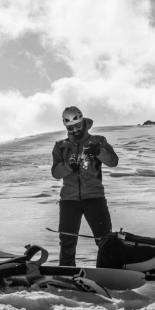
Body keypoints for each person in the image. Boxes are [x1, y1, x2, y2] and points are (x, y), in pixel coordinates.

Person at [50, 106, 119, 266]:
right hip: (69, 200)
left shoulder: (98, 140)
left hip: (95, 198)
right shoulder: (60, 146)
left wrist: (98, 152)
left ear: (83, 123)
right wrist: (68, 166)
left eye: (78, 126)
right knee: (67, 240)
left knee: (104, 239)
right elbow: (55, 173)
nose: (75, 130)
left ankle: (109, 272)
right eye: (70, 128)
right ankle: (66, 273)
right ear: (66, 127)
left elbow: (113, 161)